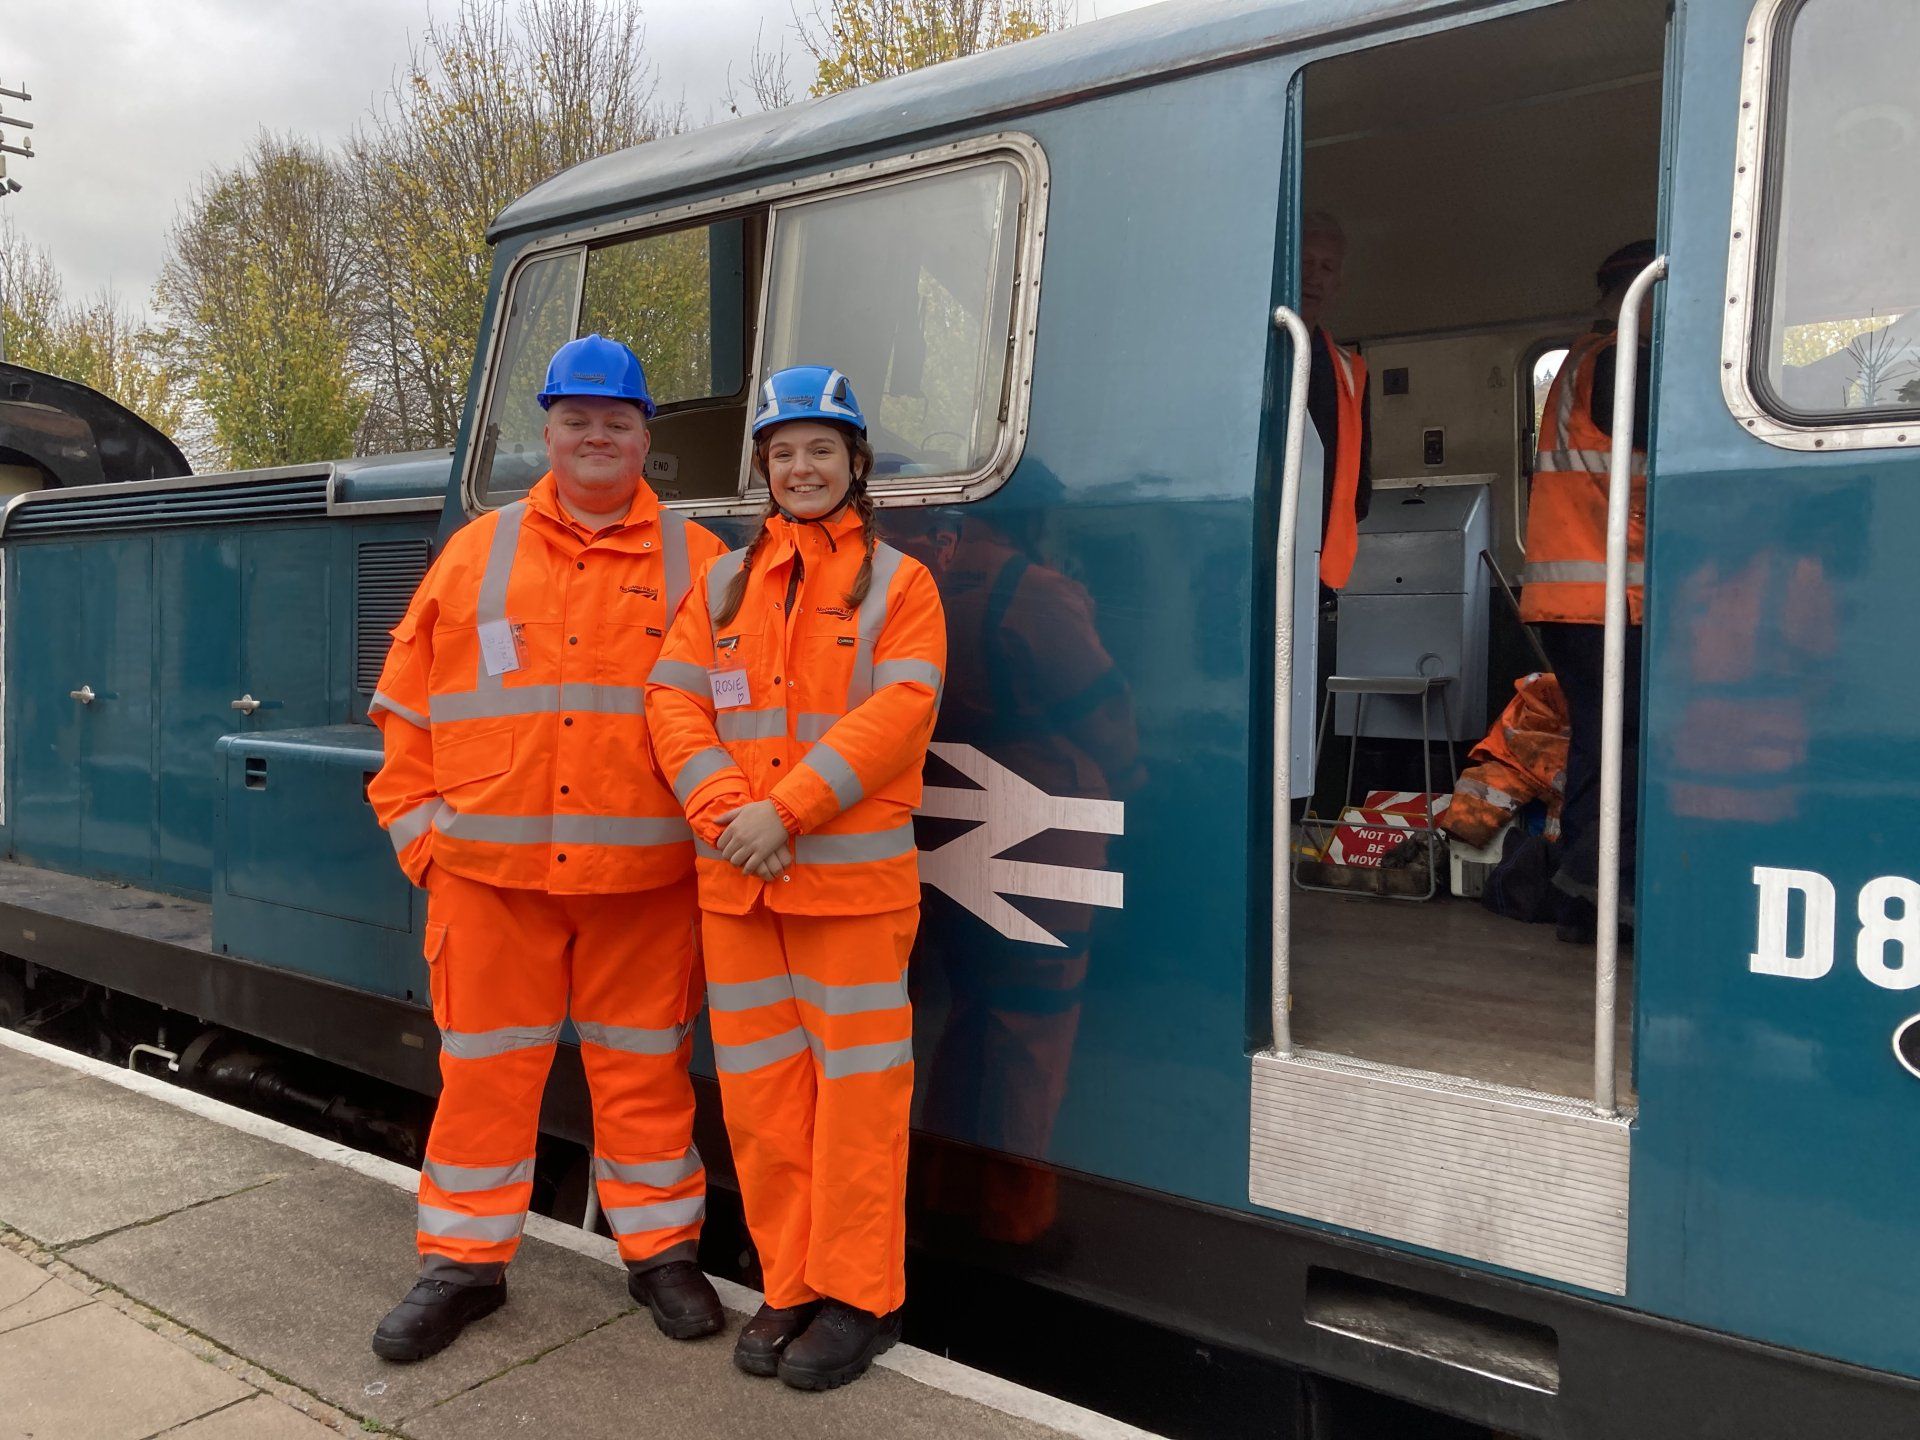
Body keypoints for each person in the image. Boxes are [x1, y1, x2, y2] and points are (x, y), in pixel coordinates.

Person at [365, 334, 728, 1361]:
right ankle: (462, 1267)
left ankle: (662, 1254)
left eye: (616, 421)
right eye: (577, 420)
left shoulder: (704, 564)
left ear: (645, 439)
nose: (595, 437)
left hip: (644, 886)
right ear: (549, 434)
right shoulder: (475, 553)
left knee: (648, 1077)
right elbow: (404, 714)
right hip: (488, 886)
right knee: (482, 1079)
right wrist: (424, 843)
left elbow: (741, 721)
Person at [645, 365, 946, 1391]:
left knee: (858, 1105)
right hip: (742, 891)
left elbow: (898, 714)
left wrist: (786, 811)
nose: (802, 467)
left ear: (856, 463)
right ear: (764, 469)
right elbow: (671, 705)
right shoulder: (722, 587)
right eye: (783, 452)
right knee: (765, 1105)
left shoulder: (900, 586)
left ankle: (863, 1298)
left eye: (821, 449)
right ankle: (791, 1282)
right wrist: (731, 813)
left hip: (850, 897)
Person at [1520, 240, 1657, 941]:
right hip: (1606, 598)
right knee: (1623, 749)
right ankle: (1601, 896)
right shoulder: (1626, 361)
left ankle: (1580, 898)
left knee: (1598, 746)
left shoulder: (1582, 360)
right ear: (1644, 291)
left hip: (1573, 599)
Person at [1300, 210, 1373, 595]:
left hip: (1320, 563)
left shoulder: (1351, 369)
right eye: (1306, 262)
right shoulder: (1250, 352)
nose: (1314, 276)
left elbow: (1360, 477)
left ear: (1338, 283)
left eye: (1327, 267)